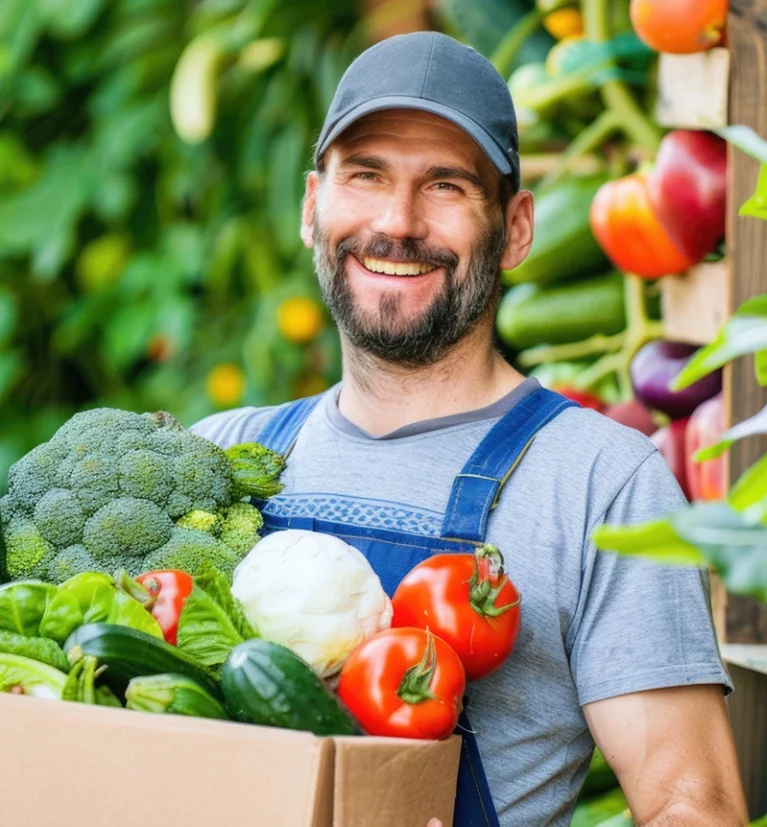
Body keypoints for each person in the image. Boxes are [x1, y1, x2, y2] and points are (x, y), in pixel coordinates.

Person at [191, 31, 749, 827]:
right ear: (313, 206)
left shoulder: (600, 482)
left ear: (516, 226)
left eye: (445, 185)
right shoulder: (220, 459)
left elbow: (693, 808)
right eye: (366, 175)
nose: (398, 220)